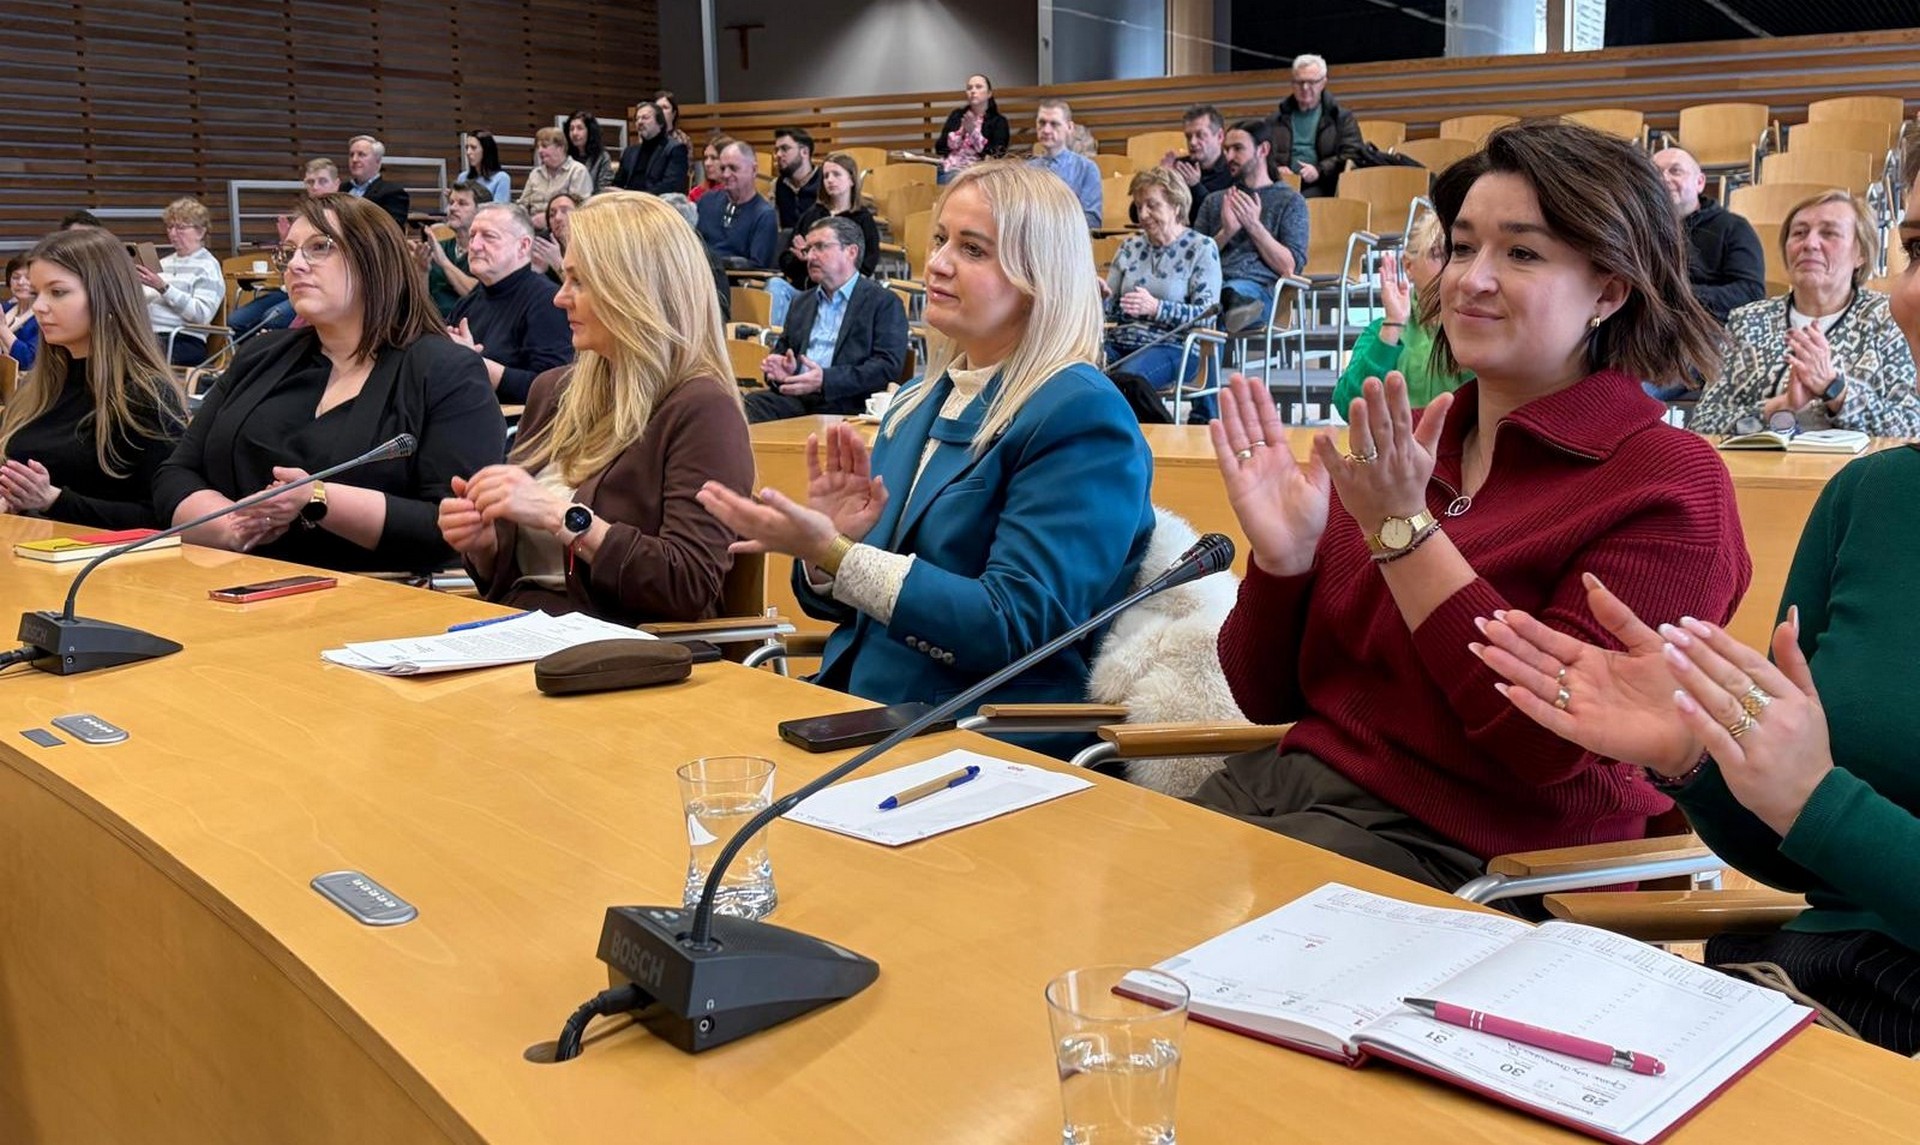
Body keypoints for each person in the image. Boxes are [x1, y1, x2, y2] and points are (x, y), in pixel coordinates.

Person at [1189, 121, 1752, 891]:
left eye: (1521, 253)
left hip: (1483, 864)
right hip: (1284, 795)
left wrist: (1405, 536)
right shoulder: (1420, 441)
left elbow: (1539, 743)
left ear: (1609, 290)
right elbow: (1264, 696)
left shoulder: (1670, 483)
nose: (1470, 279)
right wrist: (1282, 565)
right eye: (1461, 247)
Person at [1470, 144, 1920, 1054]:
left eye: (1518, 251)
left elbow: (1821, 811)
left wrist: (1818, 801)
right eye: (1917, 249)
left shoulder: (1667, 480)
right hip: (1817, 996)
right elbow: (1800, 859)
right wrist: (1699, 760)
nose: (1910, 292)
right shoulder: (1869, 499)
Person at [695, 161, 1155, 760]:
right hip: (859, 710)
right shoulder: (917, 401)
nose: (936, 263)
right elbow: (850, 603)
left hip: (979, 739)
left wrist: (839, 553)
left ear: (1038, 277)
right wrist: (830, 554)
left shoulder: (1080, 412)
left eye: (972, 249)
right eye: (940, 239)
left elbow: (1013, 624)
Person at [440, 191, 754, 625]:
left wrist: (559, 516)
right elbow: (518, 576)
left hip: (622, 647)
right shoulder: (552, 392)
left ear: (634, 291)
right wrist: (485, 545)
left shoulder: (702, 410)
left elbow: (688, 585)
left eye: (579, 282)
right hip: (521, 628)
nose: (559, 298)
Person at [153, 193, 505, 572]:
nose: (295, 265)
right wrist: (229, 527)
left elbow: (454, 526)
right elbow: (175, 473)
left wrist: (317, 498)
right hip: (232, 581)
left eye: (319, 247)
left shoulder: (447, 370)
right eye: (289, 252)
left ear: (374, 259)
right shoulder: (260, 354)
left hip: (377, 593)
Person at [1691, 190, 1919, 437]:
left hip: (1862, 463)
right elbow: (1703, 422)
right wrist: (1780, 407)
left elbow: (1912, 424)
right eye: (1799, 233)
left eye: (1829, 233)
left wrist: (1835, 390)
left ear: (1861, 253)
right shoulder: (1747, 320)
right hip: (1759, 462)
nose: (1809, 244)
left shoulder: (1888, 318)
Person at [0, 228, 186, 528]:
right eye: (36, 293)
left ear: (107, 296)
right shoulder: (37, 390)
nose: (39, 307)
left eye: (57, 292)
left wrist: (53, 501)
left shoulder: (146, 395)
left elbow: (162, 519)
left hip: (99, 556)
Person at [747, 216, 908, 424]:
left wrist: (825, 380)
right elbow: (783, 353)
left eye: (820, 247)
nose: (810, 256)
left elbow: (887, 367)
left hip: (848, 404)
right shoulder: (801, 302)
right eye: (808, 249)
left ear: (851, 252)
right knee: (740, 406)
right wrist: (782, 371)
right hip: (799, 400)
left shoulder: (883, 302)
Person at [1103, 167, 1221, 418]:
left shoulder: (1201, 248)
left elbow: (1207, 316)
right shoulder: (1129, 246)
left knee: (1128, 381)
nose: (1143, 214)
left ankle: (1157, 431)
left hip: (1174, 346)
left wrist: (1157, 308)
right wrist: (1100, 298)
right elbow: (1110, 311)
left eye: (1152, 205)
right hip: (1120, 341)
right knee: (1076, 373)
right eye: (1139, 206)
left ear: (1176, 205)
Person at [1332, 210, 1473, 410]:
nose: (1449, 267)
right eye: (1437, 254)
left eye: (1458, 255)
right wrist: (1392, 326)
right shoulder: (1380, 331)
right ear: (1408, 266)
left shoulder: (1481, 326)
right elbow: (1348, 405)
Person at [446, 202, 574, 404]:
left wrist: (472, 362)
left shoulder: (548, 301)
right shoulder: (469, 302)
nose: (474, 246)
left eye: (489, 236)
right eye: (472, 236)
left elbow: (553, 388)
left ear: (523, 246)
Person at [1196, 119, 1309, 333]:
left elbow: (1290, 267)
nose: (1229, 156)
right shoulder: (1214, 201)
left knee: (1228, 297)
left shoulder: (1290, 201)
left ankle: (1229, 306)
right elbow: (1193, 259)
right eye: (1226, 149)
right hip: (1211, 286)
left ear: (1263, 149)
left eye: (1238, 148)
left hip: (1260, 291)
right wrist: (1226, 233)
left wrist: (1253, 226)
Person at [1652, 147, 1766, 324]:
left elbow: (1750, 292)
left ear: (1700, 182)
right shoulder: (1640, 228)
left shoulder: (1733, 227)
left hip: (1706, 325)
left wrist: (1680, 296)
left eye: (1675, 171)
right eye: (1655, 173)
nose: (1664, 179)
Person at [230, 159, 341, 338]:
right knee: (237, 320)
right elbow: (285, 266)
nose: (315, 187)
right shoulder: (301, 218)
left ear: (336, 184)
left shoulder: (344, 221)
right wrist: (286, 244)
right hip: (287, 288)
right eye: (310, 182)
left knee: (272, 319)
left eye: (322, 181)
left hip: (320, 289)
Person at [770, 152, 882, 325]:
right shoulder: (812, 214)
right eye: (826, 176)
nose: (830, 180)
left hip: (842, 294)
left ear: (851, 180)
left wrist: (827, 263)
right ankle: (777, 339)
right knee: (775, 285)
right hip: (807, 292)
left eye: (836, 174)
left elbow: (867, 264)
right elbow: (787, 260)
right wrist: (802, 260)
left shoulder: (862, 219)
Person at [139, 197, 225, 367]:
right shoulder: (163, 263)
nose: (172, 233)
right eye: (170, 227)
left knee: (127, 356)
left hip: (182, 339)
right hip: (149, 336)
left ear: (200, 232)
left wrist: (164, 288)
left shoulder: (208, 266)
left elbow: (201, 315)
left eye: (180, 228)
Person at [1267, 52, 1364, 198]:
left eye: (1311, 82)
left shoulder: (1340, 117)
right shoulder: (1275, 120)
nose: (1305, 88)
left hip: (1324, 184)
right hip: (1282, 184)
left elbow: (1353, 153)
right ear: (1292, 84)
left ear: (1323, 83)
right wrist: (1276, 169)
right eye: (1300, 82)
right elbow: (1260, 155)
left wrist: (1319, 170)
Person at [695, 140, 779, 269]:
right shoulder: (706, 202)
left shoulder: (764, 215)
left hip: (737, 280)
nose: (726, 174)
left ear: (754, 170)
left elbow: (757, 266)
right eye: (723, 168)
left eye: (733, 168)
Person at [1027, 99, 1102, 229]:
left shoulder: (1086, 169)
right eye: (1042, 123)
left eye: (1054, 124)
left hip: (1072, 238)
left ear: (1069, 127)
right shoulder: (1026, 170)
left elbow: (1092, 220)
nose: (1046, 130)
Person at [1156, 105, 1233, 226]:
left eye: (1200, 135)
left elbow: (1218, 218)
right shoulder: (1178, 166)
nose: (1192, 142)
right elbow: (1135, 213)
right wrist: (1161, 179)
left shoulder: (1233, 170)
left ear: (1220, 136)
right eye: (1188, 136)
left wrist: (1196, 187)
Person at [422, 180, 486, 318]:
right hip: (434, 323)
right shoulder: (439, 247)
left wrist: (444, 262)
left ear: (481, 212)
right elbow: (421, 299)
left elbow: (479, 295)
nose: (452, 208)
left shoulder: (487, 251)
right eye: (451, 203)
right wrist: (421, 270)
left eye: (462, 203)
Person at [935, 74, 1010, 184]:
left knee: (952, 179)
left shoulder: (999, 121)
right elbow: (940, 147)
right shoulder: (957, 115)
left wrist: (973, 132)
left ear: (989, 93)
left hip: (977, 173)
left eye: (978, 87)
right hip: (947, 167)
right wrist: (960, 133)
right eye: (969, 88)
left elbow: (998, 153)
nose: (973, 91)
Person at [518, 127, 594, 225]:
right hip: (533, 227)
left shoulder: (577, 171)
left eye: (544, 146)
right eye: (538, 147)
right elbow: (523, 204)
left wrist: (548, 218)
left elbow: (580, 208)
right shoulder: (535, 174)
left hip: (565, 227)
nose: (540, 151)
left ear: (560, 147)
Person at [612, 103, 689, 196]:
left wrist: (634, 195)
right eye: (637, 119)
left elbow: (671, 186)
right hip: (628, 201)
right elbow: (618, 183)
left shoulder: (675, 149)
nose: (640, 122)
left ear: (660, 123)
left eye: (645, 118)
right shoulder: (630, 152)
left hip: (656, 202)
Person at [345, 135, 410, 227]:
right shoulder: (342, 189)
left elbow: (392, 230)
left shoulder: (393, 192)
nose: (354, 159)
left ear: (378, 160)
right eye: (351, 155)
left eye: (361, 154)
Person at [771, 127, 821, 230]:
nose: (778, 155)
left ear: (804, 152)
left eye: (785, 148)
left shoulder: (825, 181)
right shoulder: (777, 185)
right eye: (777, 150)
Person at [531, 191, 579, 282]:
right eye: (552, 215)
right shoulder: (542, 245)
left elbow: (585, 288)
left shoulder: (593, 247)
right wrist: (537, 274)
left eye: (565, 211)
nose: (557, 218)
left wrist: (558, 264)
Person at [1, 254, 39, 370]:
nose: (21, 282)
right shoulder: (6, 308)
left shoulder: (44, 317)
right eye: (16, 277)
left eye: (28, 277)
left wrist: (2, 329)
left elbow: (29, 361)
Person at [565, 111, 614, 194]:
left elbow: (603, 189)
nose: (574, 133)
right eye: (571, 129)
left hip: (593, 200)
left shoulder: (602, 157)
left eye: (580, 128)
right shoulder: (565, 157)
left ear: (590, 131)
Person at [461, 130, 512, 206]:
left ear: (486, 150)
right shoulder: (463, 177)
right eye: (467, 148)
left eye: (473, 148)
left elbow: (500, 209)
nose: (468, 152)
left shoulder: (501, 178)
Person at [689, 134, 729, 203]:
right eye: (705, 158)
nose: (707, 163)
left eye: (714, 158)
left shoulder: (738, 194)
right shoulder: (696, 193)